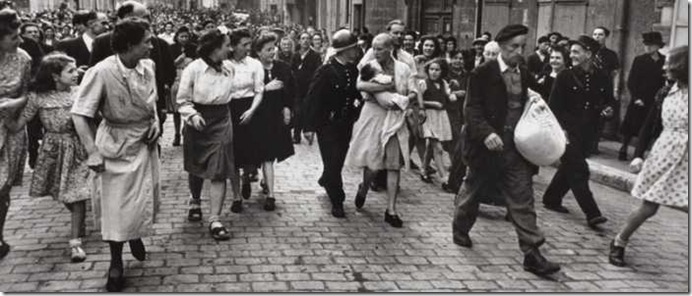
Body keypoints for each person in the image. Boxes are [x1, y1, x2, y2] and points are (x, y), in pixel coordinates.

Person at [452, 24, 560, 276]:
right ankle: (460, 229)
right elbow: (472, 109)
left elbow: (532, 100)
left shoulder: (524, 72)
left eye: (523, 46)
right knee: (472, 192)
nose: (519, 52)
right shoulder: (482, 73)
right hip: (485, 147)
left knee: (522, 199)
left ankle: (532, 253)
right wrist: (487, 133)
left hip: (515, 148)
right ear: (501, 47)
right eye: (514, 47)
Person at [71, 18, 161, 292]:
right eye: (146, 40)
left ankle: (134, 235)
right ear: (130, 45)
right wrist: (92, 152)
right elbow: (79, 114)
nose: (151, 44)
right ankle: (115, 262)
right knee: (115, 207)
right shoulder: (101, 72)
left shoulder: (149, 66)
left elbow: (152, 102)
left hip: (144, 144)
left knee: (143, 197)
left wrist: (155, 121)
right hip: (114, 146)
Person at [4, 53, 90, 262]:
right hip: (52, 150)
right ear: (55, 76)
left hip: (78, 148)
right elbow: (19, 124)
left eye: (75, 68)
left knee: (77, 195)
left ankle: (75, 243)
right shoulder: (38, 97)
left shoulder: (80, 92)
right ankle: (78, 221)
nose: (76, 73)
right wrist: (5, 112)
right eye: (70, 71)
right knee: (63, 193)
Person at [609, 46, 688, 267]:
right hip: (665, 153)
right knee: (649, 207)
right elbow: (650, 125)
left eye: (669, 63)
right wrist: (638, 154)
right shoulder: (665, 93)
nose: (664, 67)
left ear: (681, 66)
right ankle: (618, 242)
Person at [542, 36, 614, 228]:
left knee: (570, 168)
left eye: (576, 52)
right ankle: (592, 213)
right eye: (571, 51)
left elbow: (609, 100)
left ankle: (551, 198)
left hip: (589, 133)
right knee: (580, 170)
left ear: (588, 54)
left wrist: (608, 109)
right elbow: (554, 108)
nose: (571, 55)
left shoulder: (602, 76)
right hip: (567, 132)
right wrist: (561, 131)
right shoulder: (565, 76)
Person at [346, 33, 414, 227]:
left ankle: (391, 210)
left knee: (393, 164)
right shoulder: (370, 66)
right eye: (374, 48)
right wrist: (385, 89)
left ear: (390, 48)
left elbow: (412, 89)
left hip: (394, 119)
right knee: (373, 165)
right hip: (374, 116)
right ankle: (364, 188)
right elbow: (360, 85)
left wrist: (407, 100)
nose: (375, 52)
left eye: (380, 48)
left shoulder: (403, 68)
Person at [176, 28, 238, 240]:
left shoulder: (229, 68)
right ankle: (195, 200)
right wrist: (192, 116)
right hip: (198, 120)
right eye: (227, 45)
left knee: (219, 168)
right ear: (214, 48)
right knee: (196, 165)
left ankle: (215, 219)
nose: (230, 49)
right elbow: (182, 100)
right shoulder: (193, 69)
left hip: (221, 119)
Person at [90, 1, 175, 135]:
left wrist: (161, 107)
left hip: (148, 115)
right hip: (114, 120)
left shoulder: (155, 43)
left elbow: (161, 76)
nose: (148, 21)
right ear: (127, 18)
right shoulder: (102, 43)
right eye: (143, 17)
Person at [302, 29, 362, 218]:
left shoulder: (352, 70)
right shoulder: (326, 71)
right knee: (333, 161)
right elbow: (313, 99)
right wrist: (308, 127)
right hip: (327, 125)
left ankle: (327, 178)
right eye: (353, 48)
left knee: (338, 160)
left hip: (345, 124)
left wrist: (355, 111)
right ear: (344, 50)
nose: (356, 51)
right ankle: (338, 200)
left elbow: (355, 94)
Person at [0, 8, 31, 260]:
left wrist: (15, 103)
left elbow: (28, 93)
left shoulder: (23, 59)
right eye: (13, 37)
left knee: (2, 188)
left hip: (10, 130)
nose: (19, 40)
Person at [253, 33, 296, 211]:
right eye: (268, 49)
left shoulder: (283, 68)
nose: (273, 52)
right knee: (254, 155)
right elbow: (246, 92)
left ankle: (271, 195)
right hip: (256, 117)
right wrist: (265, 88)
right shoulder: (253, 68)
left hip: (274, 118)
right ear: (258, 52)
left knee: (269, 156)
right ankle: (250, 176)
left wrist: (287, 108)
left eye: (274, 48)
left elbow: (292, 90)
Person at [228, 28, 264, 204]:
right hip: (229, 109)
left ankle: (247, 177)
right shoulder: (225, 64)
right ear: (233, 46)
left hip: (250, 108)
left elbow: (259, 91)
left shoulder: (254, 65)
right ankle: (236, 196)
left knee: (250, 155)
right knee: (233, 155)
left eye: (250, 44)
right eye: (244, 45)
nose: (248, 48)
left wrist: (252, 111)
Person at [618, 32, 666, 161]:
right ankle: (624, 147)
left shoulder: (663, 61)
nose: (648, 47)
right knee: (631, 124)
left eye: (651, 45)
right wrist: (637, 97)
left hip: (654, 100)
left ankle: (639, 153)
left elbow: (664, 81)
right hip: (639, 98)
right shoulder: (640, 60)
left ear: (658, 46)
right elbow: (632, 81)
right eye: (646, 45)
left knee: (648, 127)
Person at [418, 58, 456, 189]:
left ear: (442, 71)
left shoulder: (444, 83)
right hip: (429, 116)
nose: (434, 72)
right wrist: (432, 103)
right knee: (438, 148)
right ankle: (445, 179)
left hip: (440, 117)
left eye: (437, 70)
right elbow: (418, 100)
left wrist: (452, 95)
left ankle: (423, 169)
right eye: (431, 69)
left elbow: (448, 95)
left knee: (432, 146)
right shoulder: (423, 83)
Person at [590, 26, 621, 156]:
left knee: (600, 117)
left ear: (606, 37)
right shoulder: (588, 52)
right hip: (589, 87)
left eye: (600, 35)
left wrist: (615, 89)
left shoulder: (611, 55)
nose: (597, 37)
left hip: (604, 89)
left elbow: (616, 72)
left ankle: (594, 145)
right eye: (595, 34)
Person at [291, 32, 322, 144]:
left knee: (307, 110)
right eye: (303, 38)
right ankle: (296, 135)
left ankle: (307, 131)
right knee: (297, 111)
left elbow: (318, 72)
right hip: (297, 88)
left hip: (310, 88)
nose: (305, 41)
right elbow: (292, 70)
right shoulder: (295, 55)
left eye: (308, 38)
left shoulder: (315, 56)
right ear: (299, 41)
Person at [168, 26, 197, 147]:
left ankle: (186, 132)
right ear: (177, 37)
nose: (184, 39)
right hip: (177, 78)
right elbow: (170, 64)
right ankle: (176, 133)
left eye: (186, 36)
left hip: (190, 79)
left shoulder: (193, 48)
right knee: (176, 109)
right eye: (181, 36)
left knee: (188, 106)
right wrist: (179, 59)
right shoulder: (171, 48)